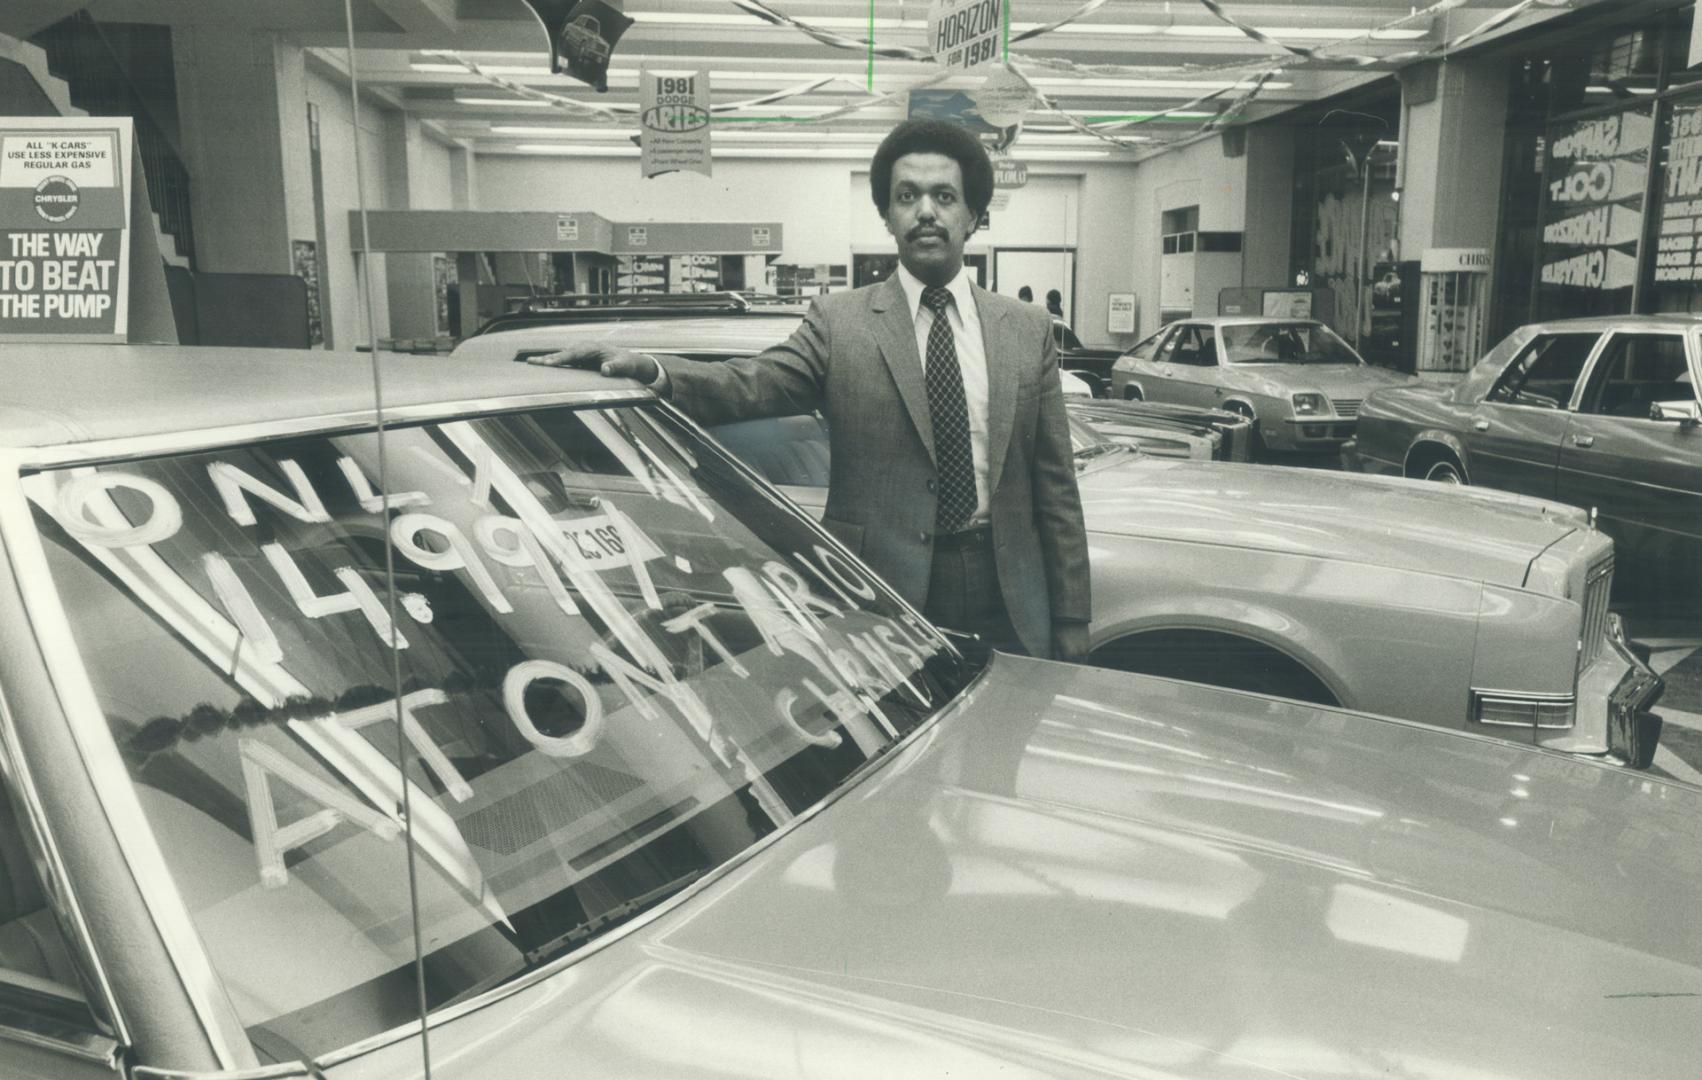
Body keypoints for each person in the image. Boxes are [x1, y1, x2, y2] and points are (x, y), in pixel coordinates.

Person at [534, 118, 1090, 662]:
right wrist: (652, 368)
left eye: (944, 196)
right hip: (882, 591)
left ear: (973, 215)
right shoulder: (840, 322)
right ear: (886, 215)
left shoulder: (1026, 328)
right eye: (907, 196)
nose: (925, 211)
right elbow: (750, 384)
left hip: (1008, 590)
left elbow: (1056, 486)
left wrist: (1071, 617)